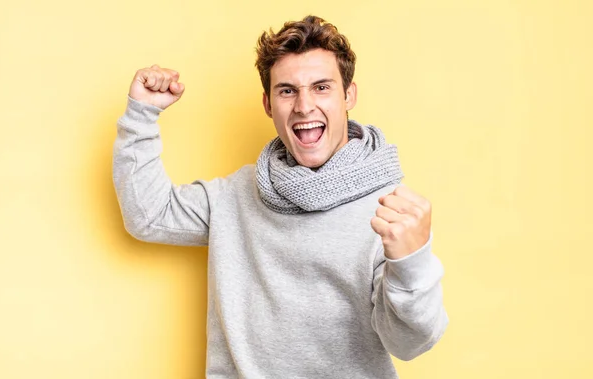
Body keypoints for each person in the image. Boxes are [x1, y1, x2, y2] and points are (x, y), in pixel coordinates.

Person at [113, 15, 448, 379]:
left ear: (349, 94)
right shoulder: (238, 196)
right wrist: (141, 115)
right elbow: (148, 215)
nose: (304, 106)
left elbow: (409, 343)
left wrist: (411, 264)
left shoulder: (390, 214)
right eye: (287, 90)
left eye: (322, 87)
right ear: (268, 103)